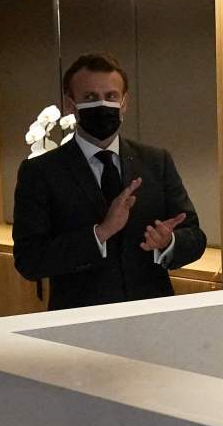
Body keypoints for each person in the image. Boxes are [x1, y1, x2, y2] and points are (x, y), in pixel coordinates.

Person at [12, 52, 206, 309]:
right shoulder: (41, 171)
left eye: (111, 97)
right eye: (90, 97)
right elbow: (29, 260)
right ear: (70, 104)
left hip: (152, 318)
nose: (102, 105)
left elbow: (194, 236)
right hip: (78, 323)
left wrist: (168, 242)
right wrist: (100, 233)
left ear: (124, 102)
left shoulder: (156, 161)